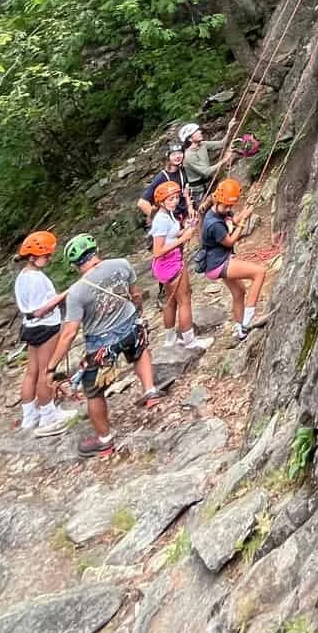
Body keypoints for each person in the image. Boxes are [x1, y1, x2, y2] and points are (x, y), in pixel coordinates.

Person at [47, 234, 163, 459]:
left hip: (101, 342)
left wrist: (51, 367)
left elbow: (69, 333)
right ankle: (150, 392)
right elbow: (135, 293)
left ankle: (104, 440)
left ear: (74, 264)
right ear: (96, 250)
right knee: (139, 352)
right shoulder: (121, 264)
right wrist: (136, 311)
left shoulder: (77, 292)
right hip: (129, 324)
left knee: (94, 392)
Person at [13, 231, 76, 436]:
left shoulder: (22, 277)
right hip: (46, 326)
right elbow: (41, 309)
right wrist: (67, 293)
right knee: (45, 371)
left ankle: (29, 416)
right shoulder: (36, 279)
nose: (49, 259)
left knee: (32, 371)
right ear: (33, 257)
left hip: (30, 327)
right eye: (46, 256)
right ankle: (48, 415)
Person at [196, 180, 267, 341]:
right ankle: (248, 322)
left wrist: (247, 208)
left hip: (216, 263)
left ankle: (240, 330)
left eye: (230, 206)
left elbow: (233, 220)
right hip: (218, 264)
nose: (229, 209)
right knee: (260, 273)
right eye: (227, 206)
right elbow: (230, 241)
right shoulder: (213, 223)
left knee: (239, 292)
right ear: (219, 200)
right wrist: (243, 222)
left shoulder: (219, 210)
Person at [149, 181, 211, 353]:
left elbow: (171, 235)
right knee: (184, 300)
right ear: (161, 201)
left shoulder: (167, 214)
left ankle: (170, 339)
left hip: (167, 264)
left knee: (171, 301)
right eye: (170, 199)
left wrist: (185, 229)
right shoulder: (161, 219)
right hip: (169, 263)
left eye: (176, 197)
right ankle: (190, 341)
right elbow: (158, 250)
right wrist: (183, 239)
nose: (175, 201)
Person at [136, 143, 193, 226]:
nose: (177, 156)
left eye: (180, 153)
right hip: (172, 219)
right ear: (168, 158)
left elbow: (186, 192)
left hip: (185, 213)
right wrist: (159, 220)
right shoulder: (162, 177)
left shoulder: (183, 170)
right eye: (173, 154)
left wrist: (190, 207)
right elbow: (142, 203)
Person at [178, 122, 230, 210]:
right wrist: (224, 161)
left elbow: (222, 144)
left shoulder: (202, 144)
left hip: (209, 183)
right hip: (198, 191)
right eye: (196, 132)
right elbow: (206, 172)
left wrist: (229, 129)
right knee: (204, 211)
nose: (200, 132)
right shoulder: (188, 156)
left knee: (218, 207)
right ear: (190, 139)